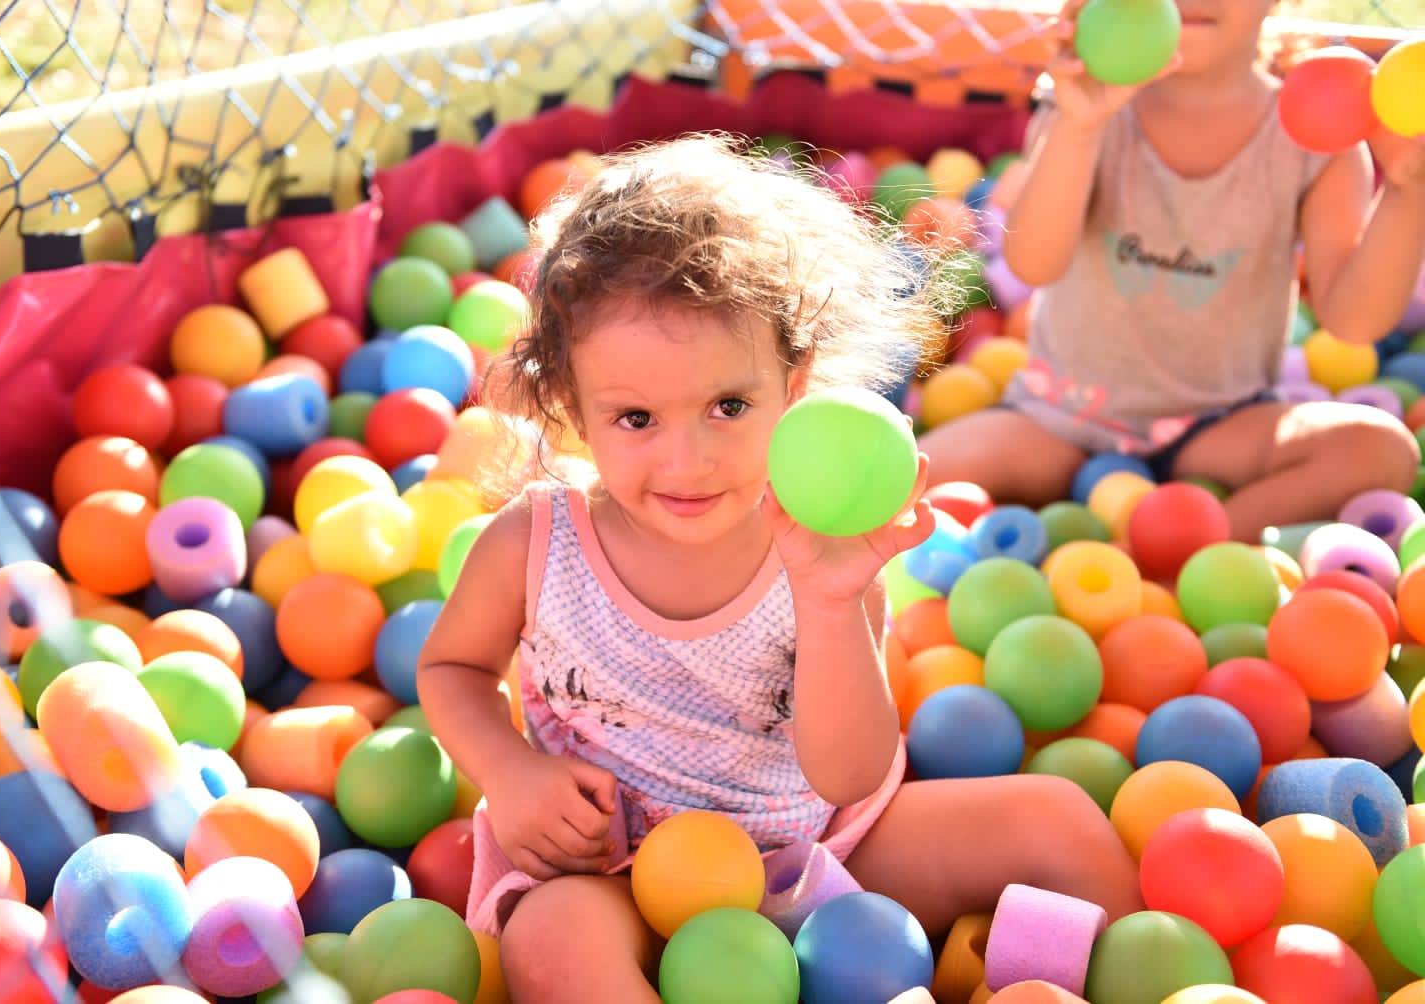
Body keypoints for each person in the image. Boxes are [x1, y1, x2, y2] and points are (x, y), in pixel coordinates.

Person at [416, 133, 1144, 1003]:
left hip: (816, 850)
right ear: (573, 405)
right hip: (612, 867)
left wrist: (832, 601)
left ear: (793, 385)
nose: (688, 461)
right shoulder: (534, 542)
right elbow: (452, 669)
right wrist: (510, 773)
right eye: (636, 419)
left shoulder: (820, 548)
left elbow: (850, 775)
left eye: (728, 406)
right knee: (550, 941)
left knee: (1055, 820)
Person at [917, 0, 1425, 543]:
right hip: (1059, 418)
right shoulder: (1086, 103)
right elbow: (1034, 264)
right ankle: (1163, 552)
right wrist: (1080, 127)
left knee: (1379, 450)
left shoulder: (1315, 136)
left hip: (1220, 426)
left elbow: (1353, 321)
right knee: (904, 481)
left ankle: (1176, 551)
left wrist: (1408, 188)